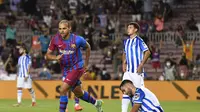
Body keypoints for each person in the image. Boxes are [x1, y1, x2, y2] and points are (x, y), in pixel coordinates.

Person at [45, 20, 103, 112]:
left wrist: (86, 64)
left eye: (64, 28)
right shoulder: (55, 39)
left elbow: (88, 47)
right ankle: (97, 103)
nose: (61, 31)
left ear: (69, 28)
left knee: (62, 90)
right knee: (78, 93)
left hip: (77, 67)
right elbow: (47, 56)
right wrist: (55, 58)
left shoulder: (78, 39)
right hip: (66, 69)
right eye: (60, 29)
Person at [122, 22, 151, 112]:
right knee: (125, 91)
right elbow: (124, 53)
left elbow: (147, 52)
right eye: (128, 27)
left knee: (138, 93)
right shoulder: (126, 41)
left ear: (135, 30)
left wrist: (141, 64)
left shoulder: (139, 40)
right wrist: (124, 63)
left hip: (137, 72)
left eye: (130, 27)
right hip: (128, 71)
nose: (128, 29)